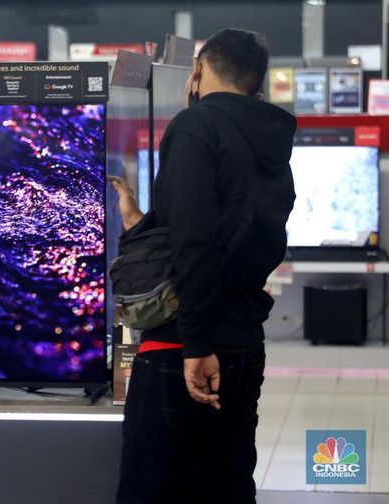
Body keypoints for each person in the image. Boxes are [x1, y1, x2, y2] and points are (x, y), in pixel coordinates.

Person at [110, 28, 297, 503]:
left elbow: (197, 241)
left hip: (185, 347)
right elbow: (234, 230)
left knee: (153, 488)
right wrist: (138, 224)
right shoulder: (272, 139)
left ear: (197, 71)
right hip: (243, 340)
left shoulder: (196, 126)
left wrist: (195, 344)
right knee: (226, 483)